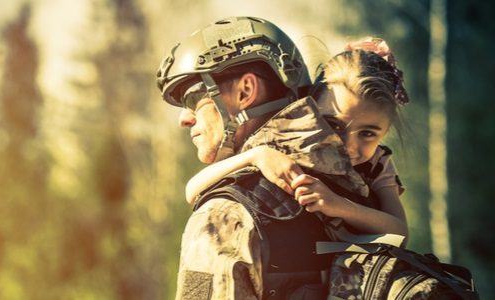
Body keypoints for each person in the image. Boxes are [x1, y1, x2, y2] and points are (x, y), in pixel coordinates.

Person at [157, 17, 373, 299]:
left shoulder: (225, 214)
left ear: (245, 91)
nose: (185, 119)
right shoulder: (358, 186)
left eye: (191, 100)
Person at [185, 37, 409, 237]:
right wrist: (256, 156)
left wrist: (339, 205)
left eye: (367, 134)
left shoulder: (377, 164)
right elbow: (193, 190)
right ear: (308, 110)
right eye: (334, 125)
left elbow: (399, 231)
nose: (349, 146)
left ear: (385, 132)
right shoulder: (289, 143)